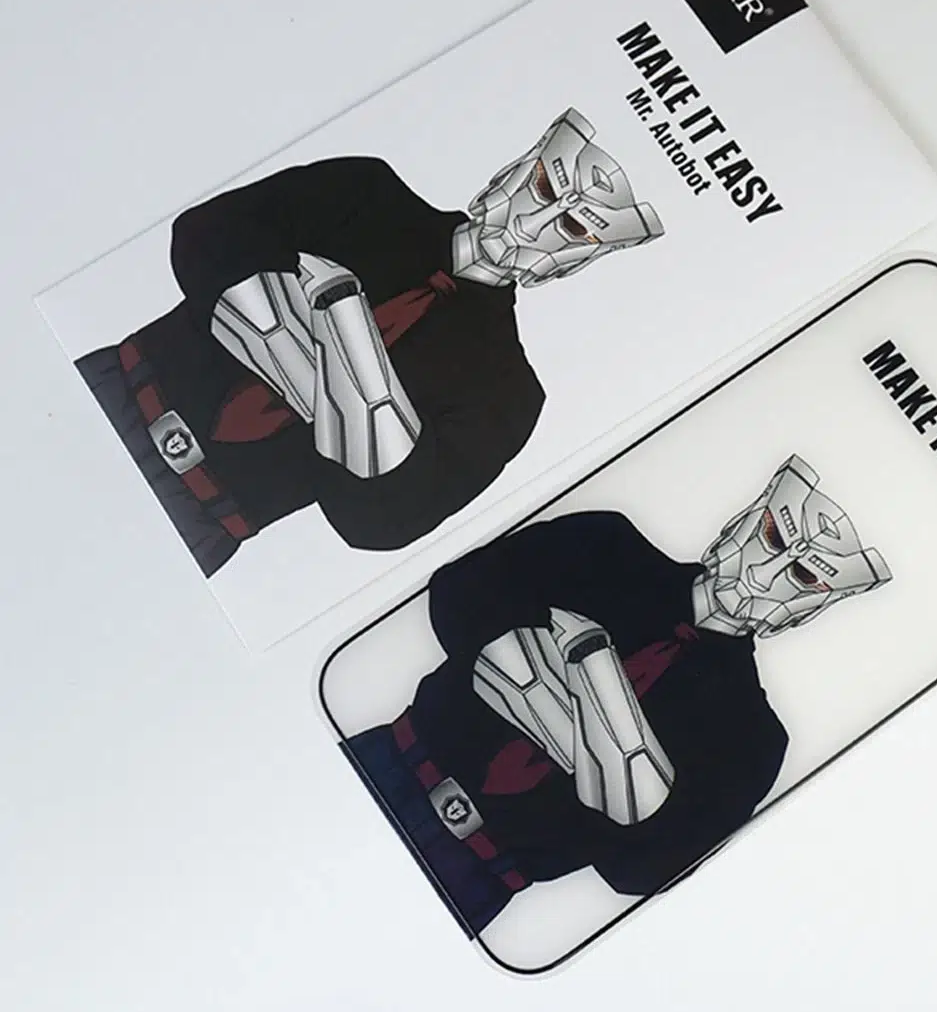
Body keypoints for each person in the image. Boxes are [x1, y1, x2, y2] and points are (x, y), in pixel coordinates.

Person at [75, 110, 663, 575]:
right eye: (543, 187)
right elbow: (209, 235)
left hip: (191, 527)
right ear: (515, 168)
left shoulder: (507, 396)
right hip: (110, 393)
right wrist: (346, 399)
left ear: (580, 258)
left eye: (573, 226)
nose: (530, 225)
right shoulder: (367, 191)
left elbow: (382, 518)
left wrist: (340, 336)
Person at [345, 456, 892, 938]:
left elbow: (643, 867)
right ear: (747, 519)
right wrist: (609, 764)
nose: (762, 574)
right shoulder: (608, 546)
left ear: (814, 606)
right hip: (385, 765)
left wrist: (560, 672)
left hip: (472, 877)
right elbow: (461, 591)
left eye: (803, 575)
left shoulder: (752, 740)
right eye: (773, 537)